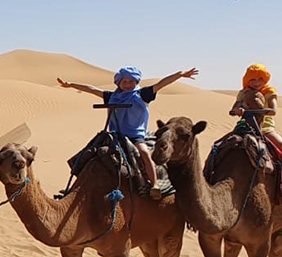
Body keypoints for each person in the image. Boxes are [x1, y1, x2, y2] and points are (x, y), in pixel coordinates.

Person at [56, 65, 199, 194]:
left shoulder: (142, 95)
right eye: (124, 81)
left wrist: (179, 75)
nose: (128, 84)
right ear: (119, 83)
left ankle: (154, 184)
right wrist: (71, 85)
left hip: (135, 135)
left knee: (144, 153)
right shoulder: (111, 96)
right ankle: (76, 188)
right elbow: (92, 89)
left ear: (136, 82)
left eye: (131, 81)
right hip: (113, 135)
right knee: (85, 155)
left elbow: (161, 84)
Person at [231, 63, 282, 159]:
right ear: (247, 80)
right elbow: (234, 108)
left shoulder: (269, 92)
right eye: (252, 79)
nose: (256, 82)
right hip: (246, 126)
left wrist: (268, 111)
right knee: (221, 145)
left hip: (265, 128)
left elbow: (273, 109)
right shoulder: (243, 93)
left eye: (260, 79)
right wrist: (238, 110)